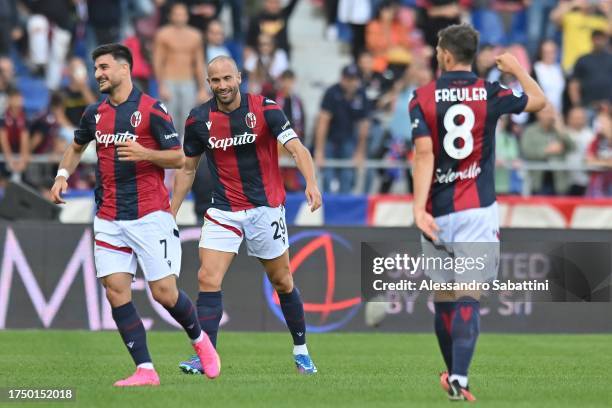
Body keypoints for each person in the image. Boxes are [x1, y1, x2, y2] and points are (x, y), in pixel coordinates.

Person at [49, 43, 220, 387]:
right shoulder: (94, 113)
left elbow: (180, 158)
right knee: (115, 291)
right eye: (96, 68)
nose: (98, 74)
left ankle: (200, 341)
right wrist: (62, 176)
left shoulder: (152, 109)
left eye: (104, 67)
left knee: (164, 294)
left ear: (124, 69)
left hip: (149, 215)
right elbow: (77, 146)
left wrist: (144, 152)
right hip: (109, 216)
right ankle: (145, 369)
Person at [410, 24, 546, 401]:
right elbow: (539, 102)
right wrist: (516, 69)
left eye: (438, 49)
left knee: (444, 299)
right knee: (469, 296)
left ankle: (453, 373)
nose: (437, 54)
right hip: (478, 211)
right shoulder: (490, 92)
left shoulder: (421, 96)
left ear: (447, 55)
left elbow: (423, 155)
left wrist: (418, 208)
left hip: (438, 211)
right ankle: (460, 377)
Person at [171, 55, 322, 375]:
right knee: (206, 278)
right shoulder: (198, 119)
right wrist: (171, 211)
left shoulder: (265, 109)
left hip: (264, 208)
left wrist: (311, 182)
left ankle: (301, 350)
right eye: (215, 81)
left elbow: (297, 148)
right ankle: (206, 356)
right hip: (223, 209)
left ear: (239, 77)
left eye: (227, 79)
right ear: (208, 83)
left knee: (282, 281)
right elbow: (188, 168)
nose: (222, 86)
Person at [153, 2, 208, 138]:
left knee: (187, 120)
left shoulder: (195, 35)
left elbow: (199, 63)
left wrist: (202, 88)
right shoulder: (163, 34)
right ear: (171, 16)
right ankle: (169, 151)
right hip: (169, 81)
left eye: (183, 14)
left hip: (189, 81)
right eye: (177, 14)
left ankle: (184, 155)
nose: (180, 17)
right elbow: (158, 61)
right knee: (168, 120)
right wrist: (161, 85)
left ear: (187, 16)